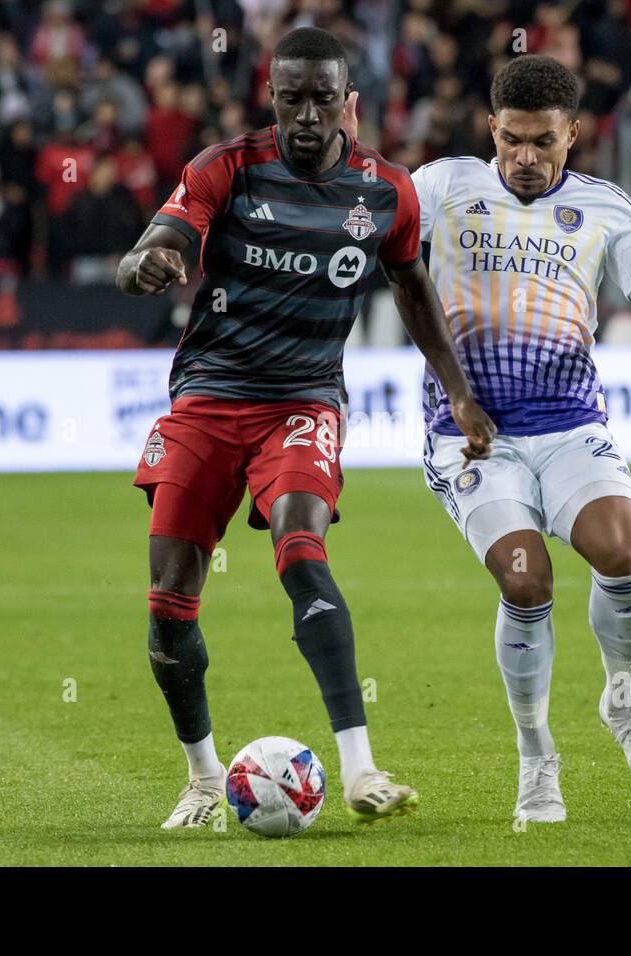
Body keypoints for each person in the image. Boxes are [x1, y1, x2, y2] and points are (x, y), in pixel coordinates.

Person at [114, 27, 494, 829]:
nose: (310, 116)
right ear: (273, 97)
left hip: (303, 403)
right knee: (169, 603)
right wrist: (146, 263)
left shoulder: (386, 192)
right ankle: (204, 778)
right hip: (208, 401)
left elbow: (412, 286)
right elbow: (157, 243)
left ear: (350, 102)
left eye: (326, 99)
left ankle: (360, 766)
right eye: (294, 99)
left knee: (300, 546)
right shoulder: (228, 167)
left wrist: (457, 392)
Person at [407, 54, 631, 821]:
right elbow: (367, 226)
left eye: (543, 141)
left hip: (571, 423)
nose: (526, 158)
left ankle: (622, 702)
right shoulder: (441, 186)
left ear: (574, 134)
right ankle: (537, 760)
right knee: (525, 578)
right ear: (491, 129)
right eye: (511, 140)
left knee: (621, 550)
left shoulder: (607, 208)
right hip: (471, 432)